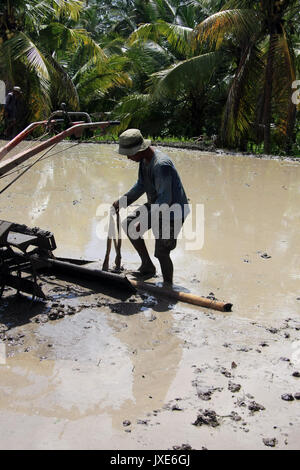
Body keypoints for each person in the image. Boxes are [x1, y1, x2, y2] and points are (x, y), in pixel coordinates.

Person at [113, 128, 190, 286]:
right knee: (129, 224)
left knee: (162, 252)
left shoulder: (161, 165)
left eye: (129, 153)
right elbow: (141, 185)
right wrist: (122, 202)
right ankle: (147, 266)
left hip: (172, 211)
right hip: (156, 204)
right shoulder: (144, 160)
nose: (128, 157)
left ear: (139, 149)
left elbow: (165, 199)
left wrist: (149, 219)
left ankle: (168, 285)